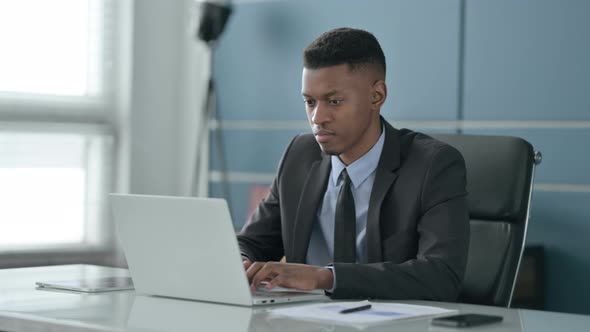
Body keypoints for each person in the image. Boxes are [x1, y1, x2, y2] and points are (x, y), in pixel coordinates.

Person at [238, 27, 469, 301]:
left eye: (334, 101)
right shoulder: (299, 155)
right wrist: (240, 262)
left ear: (377, 96)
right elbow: (252, 241)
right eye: (310, 102)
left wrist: (325, 277)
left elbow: (440, 277)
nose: (317, 118)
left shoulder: (433, 166)